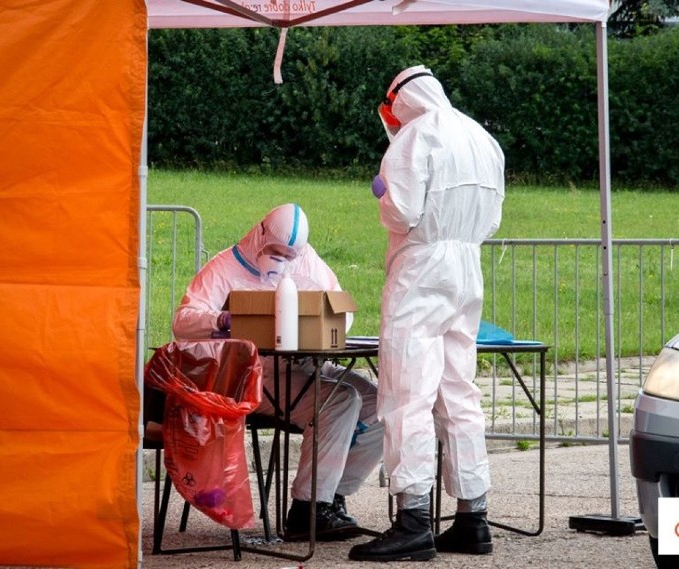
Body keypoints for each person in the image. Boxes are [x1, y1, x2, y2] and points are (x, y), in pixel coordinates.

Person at [349, 65, 505, 562]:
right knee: (459, 391)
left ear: (400, 101)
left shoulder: (415, 136)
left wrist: (380, 189)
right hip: (468, 266)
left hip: (421, 268)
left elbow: (401, 212)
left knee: (406, 393)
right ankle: (472, 517)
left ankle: (413, 519)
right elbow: (495, 215)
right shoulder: (482, 136)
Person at [172, 203, 384, 542]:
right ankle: (307, 508)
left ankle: (331, 495)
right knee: (340, 401)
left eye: (290, 255)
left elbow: (340, 307)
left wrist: (318, 326)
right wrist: (218, 321)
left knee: (381, 405)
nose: (282, 261)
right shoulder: (224, 268)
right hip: (255, 375)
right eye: (275, 252)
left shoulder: (307, 259)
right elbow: (182, 322)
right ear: (260, 235)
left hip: (303, 363)